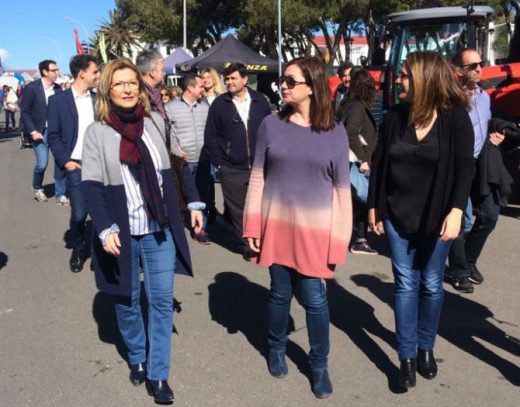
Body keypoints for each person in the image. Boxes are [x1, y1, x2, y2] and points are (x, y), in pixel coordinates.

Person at [81, 58, 203, 404]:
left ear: (140, 86)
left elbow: (174, 169)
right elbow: (91, 186)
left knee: (162, 300)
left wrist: (193, 203)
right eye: (119, 83)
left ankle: (158, 373)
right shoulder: (97, 132)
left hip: (158, 227)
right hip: (121, 230)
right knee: (127, 298)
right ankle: (136, 354)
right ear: (107, 89)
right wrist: (104, 227)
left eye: (131, 82)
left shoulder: (152, 124)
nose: (127, 88)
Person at [243, 56, 352, 398]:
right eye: (283, 81)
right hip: (276, 226)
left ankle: (319, 365)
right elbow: (258, 177)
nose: (283, 86)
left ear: (312, 87)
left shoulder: (335, 132)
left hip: (315, 233)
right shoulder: (270, 125)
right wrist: (252, 226)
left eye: (291, 81)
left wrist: (338, 244)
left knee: (315, 300)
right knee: (279, 292)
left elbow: (342, 193)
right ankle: (276, 347)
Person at [368, 51, 474, 389]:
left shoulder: (455, 118)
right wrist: (374, 205)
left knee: (430, 284)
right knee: (405, 284)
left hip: (438, 217)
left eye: (405, 75)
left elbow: (464, 168)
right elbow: (380, 161)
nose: (399, 81)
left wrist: (457, 210)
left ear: (425, 79)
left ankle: (426, 347)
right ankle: (407, 357)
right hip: (398, 215)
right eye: (400, 75)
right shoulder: (395, 117)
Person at [444, 48, 510, 293]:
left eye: (480, 64)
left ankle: (468, 262)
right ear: (458, 71)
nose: (479, 69)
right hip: (456, 166)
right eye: (472, 66)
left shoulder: (484, 97)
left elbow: (486, 122)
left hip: (480, 164)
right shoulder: (449, 99)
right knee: (459, 220)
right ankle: (458, 269)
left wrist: (497, 134)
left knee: (490, 215)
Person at [204, 62, 271, 257]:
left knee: (261, 205)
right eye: (226, 79)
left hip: (260, 165)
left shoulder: (260, 101)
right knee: (238, 209)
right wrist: (219, 163)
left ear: (245, 79)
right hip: (231, 167)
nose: (229, 82)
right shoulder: (219, 104)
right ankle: (248, 246)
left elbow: (270, 130)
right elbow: (211, 136)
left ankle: (263, 239)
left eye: (233, 78)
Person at [47, 54, 100, 273]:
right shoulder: (58, 101)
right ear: (82, 73)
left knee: (99, 212)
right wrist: (66, 161)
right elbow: (54, 136)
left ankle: (99, 255)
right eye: (95, 71)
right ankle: (78, 248)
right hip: (75, 165)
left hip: (99, 164)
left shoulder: (99, 99)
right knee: (79, 213)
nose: (98, 75)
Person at [165, 73, 211, 244]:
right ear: (190, 88)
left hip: (204, 159)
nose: (203, 89)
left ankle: (201, 228)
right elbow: (167, 132)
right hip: (184, 160)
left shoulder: (205, 106)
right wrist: (175, 149)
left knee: (202, 193)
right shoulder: (171, 108)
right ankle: (186, 221)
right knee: (185, 194)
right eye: (200, 86)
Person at [337, 68, 378, 255]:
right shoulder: (358, 107)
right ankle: (360, 239)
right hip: (358, 162)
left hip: (351, 161)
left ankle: (358, 238)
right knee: (362, 198)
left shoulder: (347, 104)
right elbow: (351, 132)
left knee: (356, 200)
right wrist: (363, 159)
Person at [20, 60, 68, 205]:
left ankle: (60, 194)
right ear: (45, 72)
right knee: (42, 164)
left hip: (56, 132)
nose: (57, 72)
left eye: (57, 70)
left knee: (61, 162)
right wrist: (33, 131)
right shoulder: (32, 88)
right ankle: (37, 188)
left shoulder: (59, 89)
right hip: (40, 132)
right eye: (54, 70)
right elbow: (25, 112)